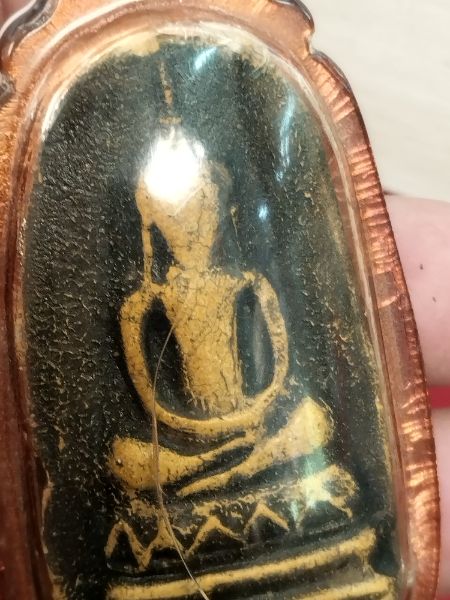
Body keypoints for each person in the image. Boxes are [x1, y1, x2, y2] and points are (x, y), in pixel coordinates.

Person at [1, 1, 448, 596]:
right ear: (158, 233)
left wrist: (246, 425)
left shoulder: (249, 283)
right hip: (182, 453)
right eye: (180, 225)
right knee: (130, 463)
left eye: (203, 219)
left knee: (311, 424)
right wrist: (206, 438)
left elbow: (280, 372)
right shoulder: (142, 304)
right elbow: (153, 400)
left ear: (223, 216)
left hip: (261, 435)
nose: (194, 232)